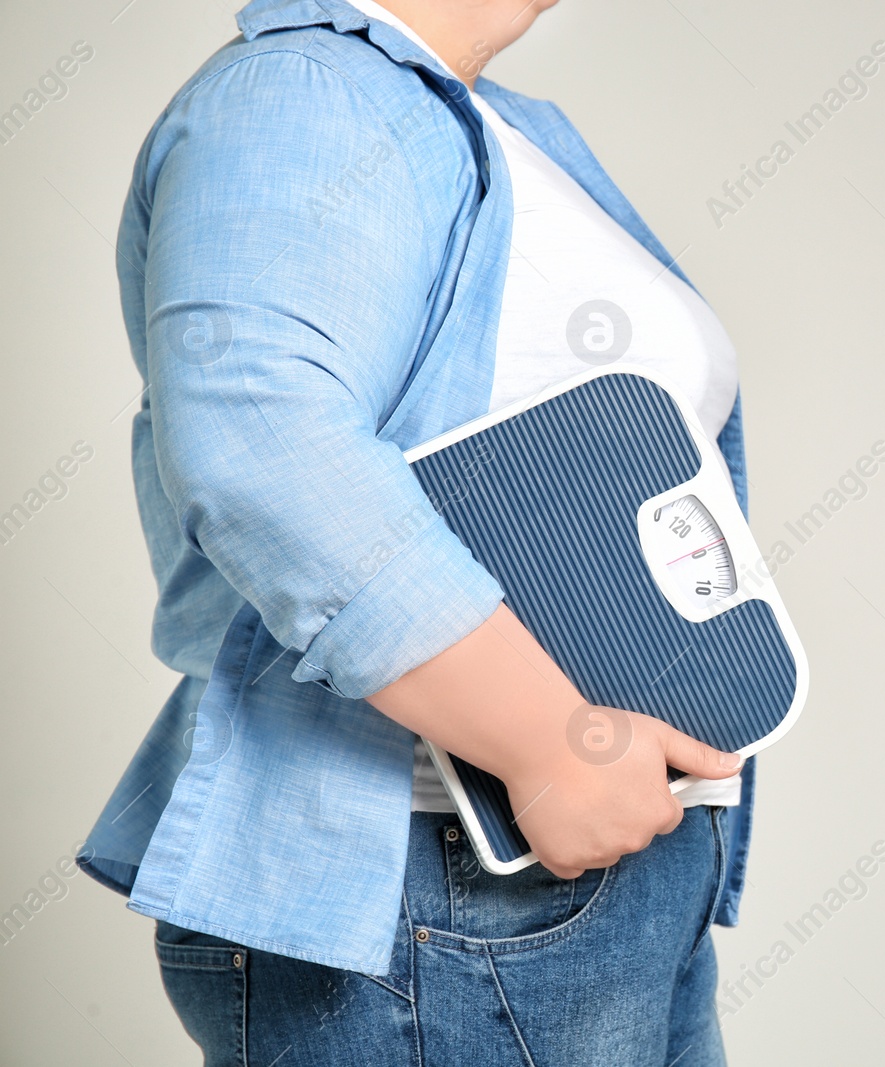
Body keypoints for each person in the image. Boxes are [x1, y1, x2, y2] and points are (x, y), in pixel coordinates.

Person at [77, 1, 760, 1062]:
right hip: (442, 876)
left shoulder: (483, 121)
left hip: (595, 862)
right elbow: (262, 445)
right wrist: (545, 742)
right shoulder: (306, 94)